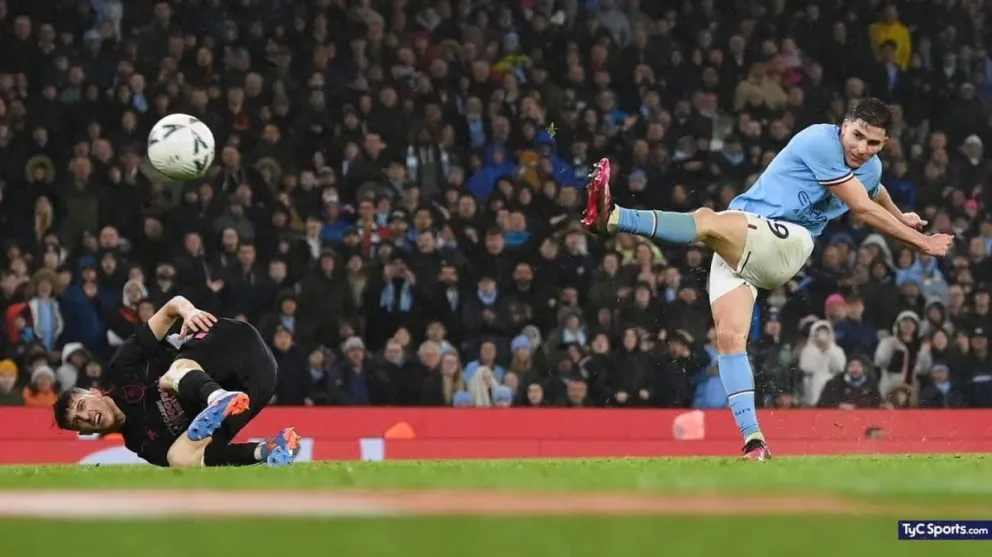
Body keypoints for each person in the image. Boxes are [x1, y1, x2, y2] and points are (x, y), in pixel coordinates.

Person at [582, 98, 954, 460]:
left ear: (884, 143)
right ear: (843, 127)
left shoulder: (869, 166)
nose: (862, 148)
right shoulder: (819, 141)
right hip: (745, 237)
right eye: (857, 136)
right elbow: (863, 202)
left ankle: (613, 217)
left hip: (786, 241)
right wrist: (916, 234)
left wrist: (905, 223)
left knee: (707, 220)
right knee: (730, 340)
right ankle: (753, 441)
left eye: (873, 142)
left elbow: (870, 196)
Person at [53, 296, 300, 468]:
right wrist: (261, 451)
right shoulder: (142, 444)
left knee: (170, 377)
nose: (85, 417)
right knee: (180, 457)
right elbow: (214, 455)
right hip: (261, 381)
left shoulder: (122, 368)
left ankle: (215, 397)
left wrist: (189, 312)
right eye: (78, 422)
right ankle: (271, 449)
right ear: (85, 432)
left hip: (233, 343)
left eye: (82, 406)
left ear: (95, 393)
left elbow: (172, 306)